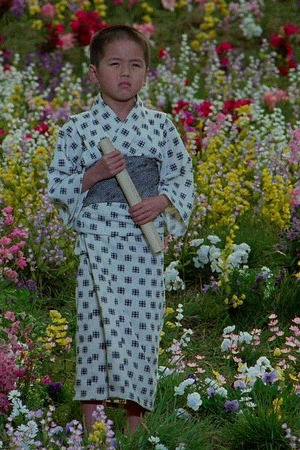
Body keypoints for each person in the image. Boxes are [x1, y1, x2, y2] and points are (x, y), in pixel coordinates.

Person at [47, 25, 195, 434]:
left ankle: (135, 430)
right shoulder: (77, 128)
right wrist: (94, 173)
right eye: (114, 64)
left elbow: (182, 178)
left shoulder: (161, 126)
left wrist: (160, 202)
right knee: (94, 330)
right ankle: (93, 428)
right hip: (98, 246)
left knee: (142, 332)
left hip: (143, 246)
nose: (125, 73)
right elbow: (57, 185)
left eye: (135, 65)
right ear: (94, 72)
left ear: (147, 72)